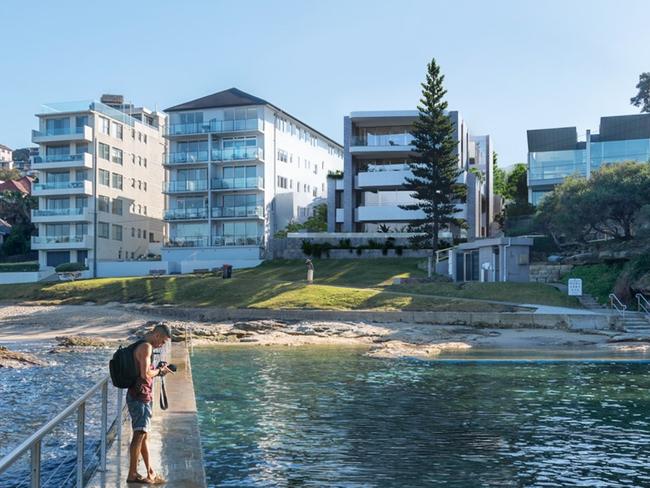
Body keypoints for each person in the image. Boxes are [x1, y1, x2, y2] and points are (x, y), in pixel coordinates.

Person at [126, 323, 173, 484]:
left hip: (138, 394)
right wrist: (160, 371)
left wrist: (157, 368)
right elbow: (145, 374)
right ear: (157, 335)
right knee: (139, 435)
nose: (163, 345)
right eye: (163, 341)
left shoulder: (141, 343)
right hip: (140, 396)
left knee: (143, 434)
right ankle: (132, 474)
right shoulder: (146, 347)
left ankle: (149, 471)